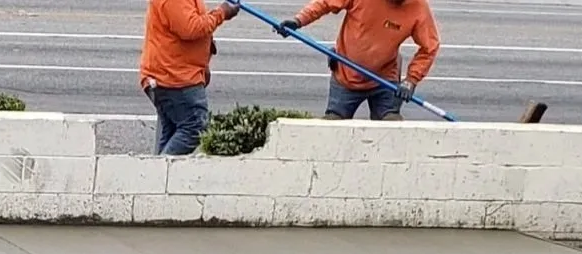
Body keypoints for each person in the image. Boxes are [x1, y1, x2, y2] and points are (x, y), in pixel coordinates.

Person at [279, 0, 438, 121]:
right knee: (333, 127)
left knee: (391, 127)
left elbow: (429, 47)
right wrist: (298, 21)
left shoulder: (418, 7)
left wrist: (411, 80)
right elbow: (325, 3)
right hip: (346, 76)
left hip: (384, 80)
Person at [141, 0, 241, 156]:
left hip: (174, 74)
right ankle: (160, 174)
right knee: (194, 128)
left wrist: (202, 64)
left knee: (173, 130)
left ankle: (159, 174)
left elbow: (192, 23)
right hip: (174, 78)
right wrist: (221, 13)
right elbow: (191, 28)